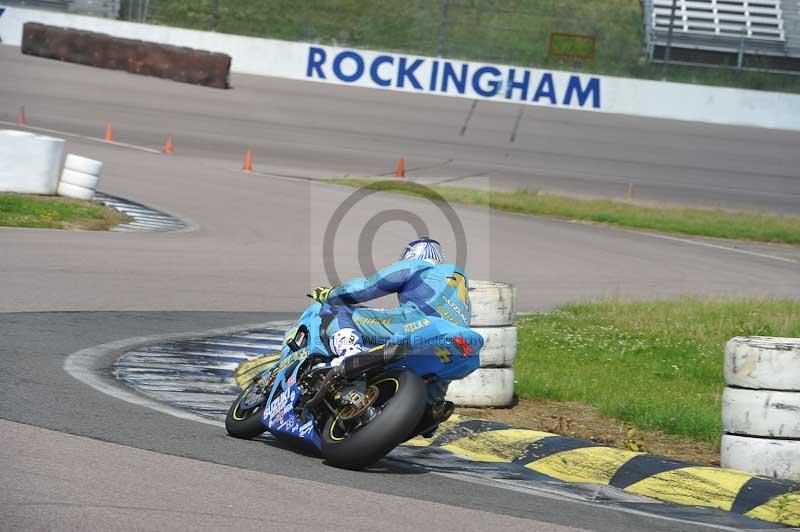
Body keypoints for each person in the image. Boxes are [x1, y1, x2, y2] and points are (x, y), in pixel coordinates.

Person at [308, 237, 482, 437]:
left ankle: (350, 356)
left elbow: (367, 287)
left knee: (337, 311)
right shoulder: (459, 290)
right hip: (459, 348)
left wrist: (331, 294)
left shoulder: (418, 266)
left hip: (417, 324)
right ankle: (428, 415)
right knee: (434, 386)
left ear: (412, 255)